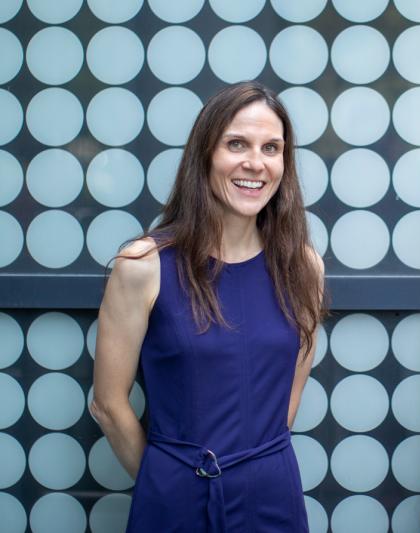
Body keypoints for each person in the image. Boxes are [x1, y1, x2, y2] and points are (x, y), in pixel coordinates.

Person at [91, 81, 325, 533]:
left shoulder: (304, 269)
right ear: (204, 155)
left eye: (271, 148)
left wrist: (249, 472)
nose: (255, 163)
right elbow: (108, 404)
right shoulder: (143, 265)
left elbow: (287, 401)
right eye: (236, 143)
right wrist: (172, 481)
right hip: (175, 499)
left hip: (272, 497)